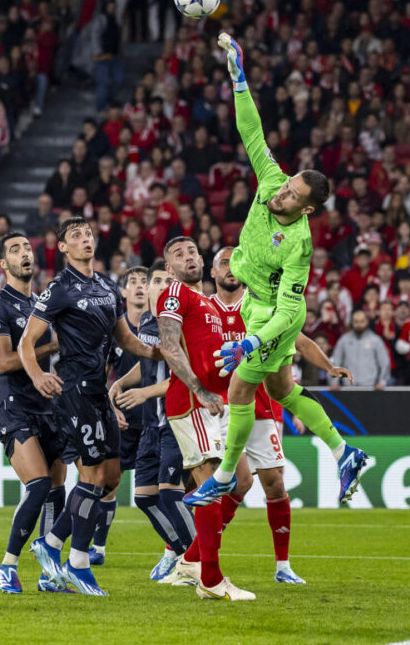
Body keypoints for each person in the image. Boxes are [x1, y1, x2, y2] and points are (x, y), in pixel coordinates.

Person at [191, 33, 368, 507]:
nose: (280, 194)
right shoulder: (270, 179)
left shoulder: (299, 246)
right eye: (286, 185)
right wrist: (239, 79)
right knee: (282, 387)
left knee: (242, 385)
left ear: (306, 211)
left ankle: (226, 473)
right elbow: (253, 132)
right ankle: (343, 449)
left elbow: (291, 313)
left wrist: (252, 340)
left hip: (272, 313)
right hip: (254, 299)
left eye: (292, 196)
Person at [21, 216, 159, 596]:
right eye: (76, 236)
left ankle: (49, 545)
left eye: (89, 234)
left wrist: (156, 350)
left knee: (111, 476)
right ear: (62, 247)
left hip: (100, 391)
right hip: (75, 392)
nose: (86, 239)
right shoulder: (59, 288)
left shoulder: (106, 286)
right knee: (93, 475)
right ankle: (77, 561)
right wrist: (37, 376)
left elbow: (126, 339)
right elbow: (26, 343)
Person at [210, 246, 352, 583]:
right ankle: (190, 553)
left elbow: (299, 342)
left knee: (274, 483)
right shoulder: (203, 308)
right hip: (217, 405)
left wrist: (329, 366)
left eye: (236, 261)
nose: (231, 268)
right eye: (224, 263)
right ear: (212, 271)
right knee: (231, 481)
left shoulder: (264, 303)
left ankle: (283, 566)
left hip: (261, 407)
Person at [155, 236, 256, 601]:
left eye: (193, 252)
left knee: (241, 481)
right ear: (169, 268)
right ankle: (211, 581)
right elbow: (169, 345)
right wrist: (199, 389)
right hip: (193, 402)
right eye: (179, 255)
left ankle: (191, 560)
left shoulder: (209, 304)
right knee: (211, 484)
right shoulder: (174, 294)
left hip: (222, 405)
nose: (189, 258)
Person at [0, 232, 70, 594]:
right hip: (14, 405)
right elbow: (3, 362)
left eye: (28, 249)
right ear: (3, 264)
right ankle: (8, 566)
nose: (25, 255)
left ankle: (48, 575)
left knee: (57, 490)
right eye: (15, 250)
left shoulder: (42, 304)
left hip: (47, 405)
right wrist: (53, 343)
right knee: (37, 486)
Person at [109, 259, 196, 583]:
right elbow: (148, 362)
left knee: (171, 493)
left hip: (175, 420)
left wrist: (145, 393)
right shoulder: (147, 319)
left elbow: (185, 374)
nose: (155, 286)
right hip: (150, 425)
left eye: (163, 281)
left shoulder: (182, 320)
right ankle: (181, 552)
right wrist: (121, 383)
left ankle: (196, 562)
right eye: (153, 280)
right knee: (145, 497)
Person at [90, 266, 150, 565]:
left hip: (158, 419)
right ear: (123, 292)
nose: (140, 287)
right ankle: (98, 548)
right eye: (133, 282)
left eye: (145, 282)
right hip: (122, 419)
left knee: (170, 488)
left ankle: (178, 553)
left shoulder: (164, 327)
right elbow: (99, 376)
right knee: (108, 483)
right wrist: (111, 408)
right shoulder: (114, 332)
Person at [330, 311, 391, 389]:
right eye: (356, 321)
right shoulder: (344, 340)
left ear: (367, 322)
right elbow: (335, 361)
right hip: (347, 388)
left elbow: (384, 363)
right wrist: (334, 382)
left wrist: (382, 382)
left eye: (362, 321)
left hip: (370, 388)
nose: (359, 325)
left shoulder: (375, 340)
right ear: (352, 323)